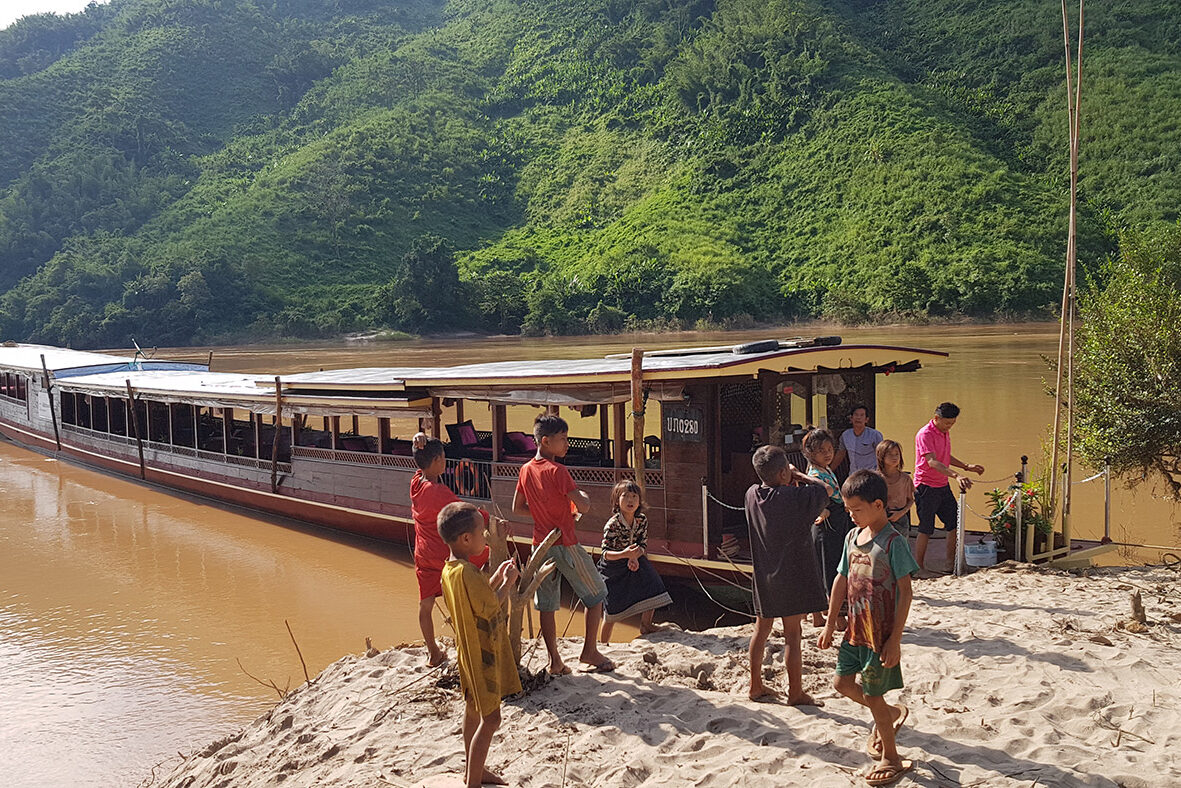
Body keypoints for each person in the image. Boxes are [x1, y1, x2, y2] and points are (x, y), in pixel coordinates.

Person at [818, 470, 918, 787]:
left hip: (880, 634)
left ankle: (892, 757)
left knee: (873, 695)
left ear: (878, 505)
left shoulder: (893, 542)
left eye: (856, 509)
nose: (851, 515)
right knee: (842, 684)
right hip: (855, 630)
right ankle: (889, 714)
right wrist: (830, 622)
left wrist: (895, 640)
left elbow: (906, 592)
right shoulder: (852, 537)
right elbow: (841, 578)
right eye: (848, 510)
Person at [512, 413, 613, 674]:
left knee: (546, 605)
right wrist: (583, 499)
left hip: (540, 545)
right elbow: (584, 506)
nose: (567, 443)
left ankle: (554, 660)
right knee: (596, 595)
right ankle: (589, 651)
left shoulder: (525, 470)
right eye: (563, 439)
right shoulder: (558, 471)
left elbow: (517, 508)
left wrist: (544, 514)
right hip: (564, 542)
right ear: (546, 441)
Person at [438, 502, 521, 788]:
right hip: (482, 654)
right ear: (465, 538)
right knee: (492, 719)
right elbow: (489, 607)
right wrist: (508, 583)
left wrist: (496, 577)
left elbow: (478, 597)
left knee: (473, 709)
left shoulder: (451, 569)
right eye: (481, 531)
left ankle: (474, 770)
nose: (485, 536)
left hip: (467, 653)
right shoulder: (468, 573)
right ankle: (473, 781)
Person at [744, 445, 830, 704]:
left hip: (764, 574)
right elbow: (825, 490)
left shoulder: (751, 494)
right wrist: (800, 475)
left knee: (761, 630)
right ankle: (795, 692)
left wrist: (786, 475)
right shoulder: (792, 497)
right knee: (793, 634)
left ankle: (755, 685)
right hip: (791, 573)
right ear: (784, 473)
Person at [913, 402, 985, 572]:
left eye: (952, 423)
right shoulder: (925, 434)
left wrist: (966, 467)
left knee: (954, 523)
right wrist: (956, 475)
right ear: (936, 418)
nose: (949, 426)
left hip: (942, 485)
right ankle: (918, 566)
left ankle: (951, 563)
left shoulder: (944, 432)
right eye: (947, 423)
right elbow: (932, 461)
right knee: (926, 528)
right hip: (925, 486)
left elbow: (945, 456)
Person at [598, 480, 672, 642]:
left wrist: (635, 556)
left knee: (653, 584)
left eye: (634, 496)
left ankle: (646, 624)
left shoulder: (642, 520)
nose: (630, 500)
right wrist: (625, 555)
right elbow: (605, 554)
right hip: (613, 566)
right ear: (617, 501)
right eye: (625, 496)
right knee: (612, 609)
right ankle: (603, 643)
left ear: (639, 501)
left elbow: (642, 544)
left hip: (635, 559)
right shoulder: (612, 525)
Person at [409, 433, 459, 667]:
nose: (445, 461)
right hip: (441, 552)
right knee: (457, 595)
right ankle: (463, 640)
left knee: (425, 603)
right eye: (443, 457)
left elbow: (419, 469)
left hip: (423, 552)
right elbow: (462, 510)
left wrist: (419, 437)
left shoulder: (416, 484)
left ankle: (433, 652)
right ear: (438, 460)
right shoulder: (439, 492)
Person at [803, 428, 854, 628]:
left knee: (830, 567)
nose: (827, 454)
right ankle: (838, 618)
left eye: (830, 449)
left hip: (837, 523)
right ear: (810, 453)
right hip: (826, 526)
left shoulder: (826, 469)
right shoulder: (814, 474)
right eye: (821, 451)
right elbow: (813, 497)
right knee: (831, 570)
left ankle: (822, 613)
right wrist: (821, 509)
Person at [876, 439, 915, 532]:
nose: (894, 457)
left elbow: (911, 500)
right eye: (890, 454)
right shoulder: (876, 479)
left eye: (897, 454)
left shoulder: (905, 478)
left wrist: (901, 513)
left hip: (900, 519)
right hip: (880, 519)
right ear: (881, 456)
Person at [834, 404, 885, 474]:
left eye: (862, 415)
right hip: (853, 474)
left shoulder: (875, 435)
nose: (858, 418)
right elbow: (840, 454)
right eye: (856, 415)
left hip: (872, 474)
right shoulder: (845, 435)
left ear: (866, 419)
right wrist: (830, 470)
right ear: (851, 418)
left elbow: (882, 455)